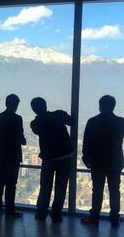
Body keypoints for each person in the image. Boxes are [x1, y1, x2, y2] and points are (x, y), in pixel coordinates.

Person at [81, 95, 123, 228]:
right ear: (113, 106)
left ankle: (94, 217)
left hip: (97, 161)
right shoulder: (121, 122)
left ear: (100, 106)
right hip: (115, 161)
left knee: (97, 190)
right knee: (115, 191)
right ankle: (114, 219)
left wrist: (86, 158)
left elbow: (86, 143)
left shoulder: (92, 122)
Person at [30, 97, 73, 223]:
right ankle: (56, 214)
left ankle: (41, 213)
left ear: (34, 110)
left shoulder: (35, 123)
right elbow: (72, 121)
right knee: (61, 187)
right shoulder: (59, 115)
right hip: (65, 156)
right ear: (45, 105)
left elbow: (38, 130)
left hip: (48, 159)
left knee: (45, 186)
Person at [0, 94, 26, 217]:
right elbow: (20, 137)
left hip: (0, 154)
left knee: (0, 179)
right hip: (13, 155)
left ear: (6, 103)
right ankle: (10, 210)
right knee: (11, 183)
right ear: (16, 105)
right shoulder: (18, 119)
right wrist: (23, 141)